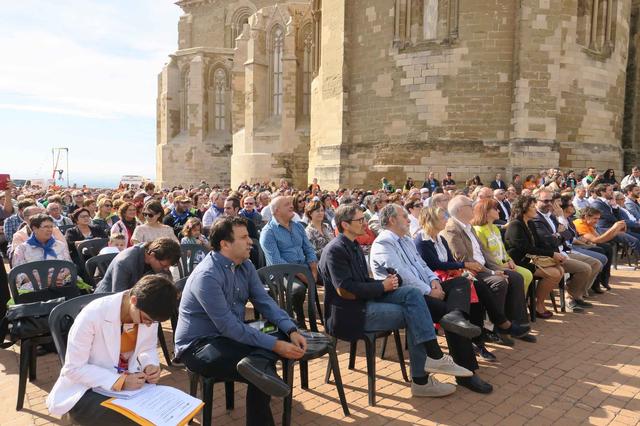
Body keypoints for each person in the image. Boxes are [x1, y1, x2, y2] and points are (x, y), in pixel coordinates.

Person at [319, 204, 472, 398]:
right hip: (350, 313)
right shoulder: (336, 250)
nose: (365, 223)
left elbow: (362, 281)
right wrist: (381, 287)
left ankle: (433, 360)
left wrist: (387, 283)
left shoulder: (353, 245)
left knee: (412, 294)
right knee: (414, 312)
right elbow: (346, 291)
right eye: (360, 220)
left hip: (364, 302)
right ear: (345, 225)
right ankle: (422, 378)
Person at [174, 217, 307, 426]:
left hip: (232, 334)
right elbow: (229, 327)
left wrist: (291, 330)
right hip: (201, 345)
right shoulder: (207, 275)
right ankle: (262, 372)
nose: (250, 241)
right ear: (225, 244)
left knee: (275, 337)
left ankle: (261, 367)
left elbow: (264, 302)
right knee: (262, 361)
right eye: (243, 237)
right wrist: (276, 346)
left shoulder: (245, 265)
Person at [370, 204, 493, 393]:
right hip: (408, 297)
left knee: (461, 283)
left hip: (425, 289)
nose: (409, 219)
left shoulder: (406, 240)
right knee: (449, 316)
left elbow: (422, 265)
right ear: (392, 220)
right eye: (404, 216)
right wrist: (429, 290)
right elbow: (402, 276)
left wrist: (434, 280)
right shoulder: (383, 243)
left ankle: (455, 317)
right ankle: (467, 374)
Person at [46, 275, 177, 425]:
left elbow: (147, 348)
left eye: (153, 322)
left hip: (129, 387)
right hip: (87, 388)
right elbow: (73, 369)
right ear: (134, 300)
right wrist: (118, 381)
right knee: (133, 421)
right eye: (147, 320)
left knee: (161, 413)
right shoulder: (93, 314)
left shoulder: (147, 312)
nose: (149, 325)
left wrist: (150, 364)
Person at [414, 207, 528, 361]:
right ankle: (497, 327)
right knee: (475, 289)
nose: (446, 219)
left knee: (477, 289)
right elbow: (434, 265)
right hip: (434, 281)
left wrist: (461, 268)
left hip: (450, 276)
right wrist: (464, 265)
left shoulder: (440, 239)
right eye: (442, 217)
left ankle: (482, 338)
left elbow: (450, 262)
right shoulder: (421, 241)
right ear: (431, 221)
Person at [441, 196, 533, 343]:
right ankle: (493, 328)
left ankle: (516, 326)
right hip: (472, 271)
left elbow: (485, 252)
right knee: (499, 282)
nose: (473, 207)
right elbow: (464, 259)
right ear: (460, 210)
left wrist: (497, 268)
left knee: (516, 277)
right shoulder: (452, 229)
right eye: (470, 205)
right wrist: (492, 272)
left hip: (485, 267)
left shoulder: (469, 226)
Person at [528, 189, 593, 313]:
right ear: (536, 201)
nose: (549, 203)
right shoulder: (535, 218)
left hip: (560, 253)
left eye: (551, 201)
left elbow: (568, 234)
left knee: (590, 266)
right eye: (545, 201)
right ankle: (568, 299)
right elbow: (548, 241)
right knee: (584, 268)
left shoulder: (551, 216)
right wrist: (559, 233)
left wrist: (558, 234)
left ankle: (574, 296)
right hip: (547, 257)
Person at [260, 196, 317, 325]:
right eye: (287, 204)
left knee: (331, 278)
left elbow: (309, 249)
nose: (292, 206)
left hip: (304, 267)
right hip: (281, 273)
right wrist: (303, 275)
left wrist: (313, 269)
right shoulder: (268, 232)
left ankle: (332, 317)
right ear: (276, 210)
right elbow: (277, 262)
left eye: (291, 203)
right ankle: (298, 320)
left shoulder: (298, 226)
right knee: (297, 289)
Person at [471, 199, 533, 294]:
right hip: (492, 267)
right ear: (486, 211)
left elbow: (503, 250)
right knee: (521, 277)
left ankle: (520, 301)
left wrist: (510, 260)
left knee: (527, 274)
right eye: (495, 209)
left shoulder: (495, 228)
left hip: (504, 263)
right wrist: (500, 266)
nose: (499, 211)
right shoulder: (478, 230)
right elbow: (485, 255)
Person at [557, 196, 610, 294]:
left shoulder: (568, 220)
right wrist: (615, 229)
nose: (573, 206)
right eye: (571, 205)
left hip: (571, 246)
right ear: (564, 207)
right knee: (601, 255)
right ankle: (577, 290)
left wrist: (585, 242)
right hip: (566, 249)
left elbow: (573, 237)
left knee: (604, 250)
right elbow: (570, 239)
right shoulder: (561, 220)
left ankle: (585, 289)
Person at [94, 237, 181, 293]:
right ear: (152, 255)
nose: (166, 269)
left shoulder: (158, 256)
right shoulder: (125, 262)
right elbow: (119, 296)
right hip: (107, 301)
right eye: (163, 265)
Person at [12, 214, 73, 290]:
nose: (50, 230)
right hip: (35, 286)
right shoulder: (22, 249)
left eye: (51, 227)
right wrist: (43, 280)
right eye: (46, 227)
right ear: (34, 228)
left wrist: (60, 276)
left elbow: (69, 265)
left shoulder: (60, 245)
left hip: (61, 282)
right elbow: (18, 274)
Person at [574, 207, 626, 290]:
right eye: (595, 218)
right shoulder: (580, 224)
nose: (597, 221)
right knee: (600, 250)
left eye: (598, 218)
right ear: (586, 216)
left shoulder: (588, 223)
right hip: (577, 247)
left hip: (585, 245)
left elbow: (600, 239)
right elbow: (597, 240)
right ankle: (596, 282)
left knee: (607, 247)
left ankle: (604, 279)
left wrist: (616, 231)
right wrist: (613, 228)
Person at [65, 208, 108, 277]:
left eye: (87, 216)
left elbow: (105, 239)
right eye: (82, 216)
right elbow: (70, 243)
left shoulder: (96, 228)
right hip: (80, 257)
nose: (86, 218)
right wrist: (88, 241)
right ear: (76, 219)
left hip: (98, 254)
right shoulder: (71, 231)